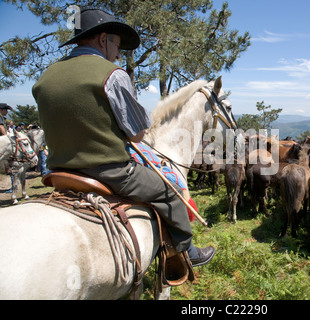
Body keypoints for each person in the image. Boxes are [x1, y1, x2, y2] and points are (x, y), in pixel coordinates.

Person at [32, 8, 215, 267]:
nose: (118, 54)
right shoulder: (112, 74)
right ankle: (187, 251)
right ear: (102, 38)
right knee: (171, 191)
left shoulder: (47, 76)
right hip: (109, 171)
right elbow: (138, 134)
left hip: (58, 169)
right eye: (117, 44)